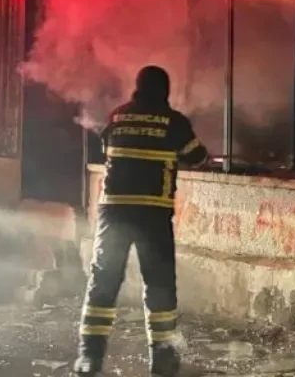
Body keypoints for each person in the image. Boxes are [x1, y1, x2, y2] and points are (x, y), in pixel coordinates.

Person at [74, 65, 209, 377]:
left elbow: (106, 149)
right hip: (152, 214)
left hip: (113, 213)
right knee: (159, 285)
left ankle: (89, 358)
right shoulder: (174, 122)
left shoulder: (117, 117)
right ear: (165, 90)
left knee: (103, 282)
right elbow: (197, 156)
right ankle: (163, 360)